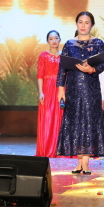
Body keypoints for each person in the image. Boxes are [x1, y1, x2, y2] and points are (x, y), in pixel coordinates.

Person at [56, 11, 104, 174]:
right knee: (75, 123)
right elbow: (62, 68)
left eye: (86, 22)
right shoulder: (69, 44)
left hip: (91, 88)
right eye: (80, 22)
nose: (83, 25)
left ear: (92, 25)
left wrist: (91, 69)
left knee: (88, 122)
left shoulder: (98, 43)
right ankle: (79, 162)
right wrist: (60, 88)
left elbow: (103, 63)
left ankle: (85, 162)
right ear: (76, 24)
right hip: (73, 88)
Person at [36, 30, 63, 158]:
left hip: (61, 89)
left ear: (59, 40)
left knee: (60, 118)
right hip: (47, 89)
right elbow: (40, 75)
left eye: (56, 38)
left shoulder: (64, 56)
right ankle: (47, 149)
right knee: (47, 119)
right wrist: (41, 92)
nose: (54, 41)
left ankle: (59, 149)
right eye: (51, 39)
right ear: (48, 41)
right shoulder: (43, 56)